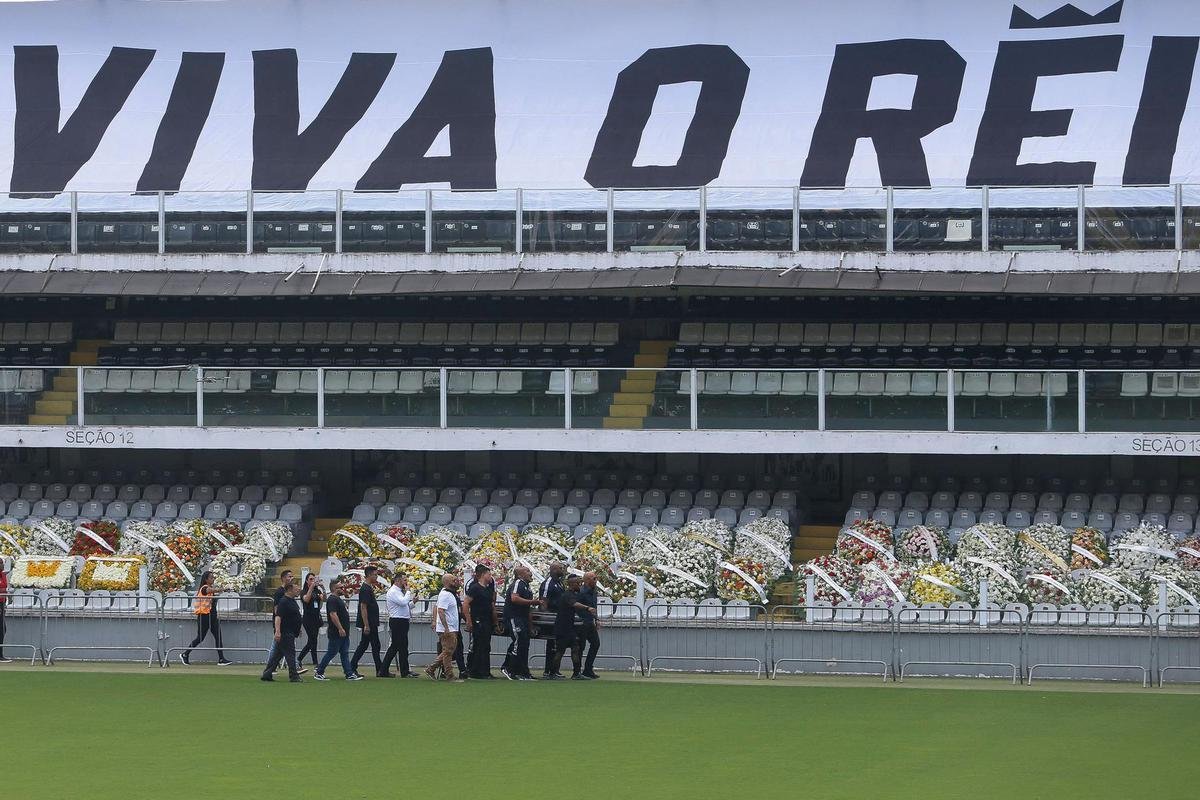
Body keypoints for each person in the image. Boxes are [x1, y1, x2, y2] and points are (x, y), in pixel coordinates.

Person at [315, 575, 362, 681]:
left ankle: (349, 673)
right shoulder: (333, 600)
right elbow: (333, 614)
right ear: (333, 589)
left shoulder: (338, 599)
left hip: (343, 631)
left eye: (342, 587)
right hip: (336, 632)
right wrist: (340, 628)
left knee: (344, 653)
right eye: (339, 588)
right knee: (331, 652)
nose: (342, 589)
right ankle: (319, 671)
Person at [180, 570, 233, 666]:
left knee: (218, 637)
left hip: (212, 616)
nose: (213, 579)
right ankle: (185, 654)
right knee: (200, 638)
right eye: (211, 578)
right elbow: (210, 591)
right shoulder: (204, 588)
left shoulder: (210, 589)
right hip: (204, 616)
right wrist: (223, 589)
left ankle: (221, 659)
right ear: (206, 579)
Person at [546, 575, 594, 680]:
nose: (580, 585)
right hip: (562, 628)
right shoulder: (567, 595)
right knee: (560, 651)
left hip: (568, 627)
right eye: (578, 583)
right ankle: (552, 673)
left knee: (575, 648)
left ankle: (576, 673)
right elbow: (574, 604)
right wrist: (587, 608)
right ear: (572, 584)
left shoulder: (572, 594)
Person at [501, 565, 540, 680]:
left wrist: (531, 625)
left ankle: (523, 671)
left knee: (524, 644)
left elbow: (528, 608)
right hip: (514, 617)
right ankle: (509, 668)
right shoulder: (518, 583)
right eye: (527, 571)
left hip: (523, 619)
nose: (530, 573)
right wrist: (533, 601)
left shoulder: (527, 587)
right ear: (520, 574)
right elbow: (514, 598)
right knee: (519, 642)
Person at [350, 565, 389, 678]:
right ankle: (378, 670)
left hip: (370, 622)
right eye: (375, 575)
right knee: (371, 645)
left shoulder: (367, 588)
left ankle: (378, 669)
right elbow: (363, 607)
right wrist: (366, 624)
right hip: (369, 623)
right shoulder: (365, 589)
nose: (376, 577)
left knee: (368, 644)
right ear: (369, 575)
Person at [261, 581, 303, 682]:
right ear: (290, 590)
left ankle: (267, 674)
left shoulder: (291, 600)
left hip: (290, 631)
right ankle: (294, 676)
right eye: (296, 589)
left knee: (277, 655)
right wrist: (278, 631)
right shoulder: (283, 601)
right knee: (290, 654)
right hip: (285, 632)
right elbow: (278, 617)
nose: (298, 590)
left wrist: (298, 628)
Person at [381, 572, 419, 678]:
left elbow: (404, 606)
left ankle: (404, 670)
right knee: (396, 646)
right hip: (397, 621)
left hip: (401, 620)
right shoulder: (393, 591)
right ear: (398, 580)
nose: (406, 582)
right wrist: (408, 592)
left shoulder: (398, 592)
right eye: (404, 580)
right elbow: (402, 603)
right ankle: (385, 670)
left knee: (402, 647)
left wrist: (413, 603)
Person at [464, 564, 498, 679]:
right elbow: (465, 604)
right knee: (478, 645)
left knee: (486, 646)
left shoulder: (488, 589)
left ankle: (485, 671)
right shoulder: (475, 588)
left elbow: (492, 604)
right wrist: (469, 620)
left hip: (487, 619)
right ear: (483, 575)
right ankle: (474, 670)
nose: (491, 576)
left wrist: (495, 621)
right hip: (478, 620)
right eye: (489, 574)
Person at [425, 573, 462, 681]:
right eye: (453, 580)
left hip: (451, 627)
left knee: (448, 651)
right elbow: (440, 610)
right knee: (448, 652)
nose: (456, 582)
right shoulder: (445, 595)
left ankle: (432, 669)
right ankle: (448, 675)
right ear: (447, 582)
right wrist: (446, 628)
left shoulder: (450, 594)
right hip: (448, 628)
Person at [538, 562, 565, 677]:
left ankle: (555, 670)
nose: (563, 570)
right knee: (552, 644)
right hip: (551, 618)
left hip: (559, 617)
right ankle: (548, 671)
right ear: (554, 570)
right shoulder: (548, 583)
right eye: (561, 568)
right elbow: (543, 600)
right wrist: (546, 617)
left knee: (557, 644)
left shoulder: (559, 583)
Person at [266, 568, 295, 672]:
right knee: (277, 646)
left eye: (292, 576)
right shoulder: (280, 592)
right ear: (283, 578)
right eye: (289, 576)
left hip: (286, 623)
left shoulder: (289, 592)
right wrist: (278, 624)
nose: (291, 578)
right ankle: (271, 667)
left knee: (280, 647)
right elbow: (277, 609)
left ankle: (271, 668)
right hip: (281, 624)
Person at [574, 571, 602, 679]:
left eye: (596, 578)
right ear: (587, 580)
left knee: (595, 643)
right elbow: (576, 606)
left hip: (590, 622)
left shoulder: (593, 592)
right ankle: (578, 671)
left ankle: (588, 669)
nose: (596, 580)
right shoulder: (581, 592)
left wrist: (597, 619)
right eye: (593, 578)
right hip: (582, 622)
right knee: (581, 646)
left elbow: (593, 606)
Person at [296, 573, 324, 668]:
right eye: (311, 579)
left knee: (312, 641)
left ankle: (300, 659)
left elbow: (324, 599)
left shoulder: (317, 590)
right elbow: (306, 600)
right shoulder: (304, 591)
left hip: (316, 617)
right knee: (313, 640)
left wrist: (323, 588)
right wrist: (311, 587)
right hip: (308, 619)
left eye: (314, 579)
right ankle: (315, 663)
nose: (313, 581)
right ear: (307, 581)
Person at [0, 559, 9, 664]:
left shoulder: (3, 575)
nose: (2, 565)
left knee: (3, 629)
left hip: (2, 604)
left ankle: (1, 654)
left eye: (2, 563)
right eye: (0, 563)